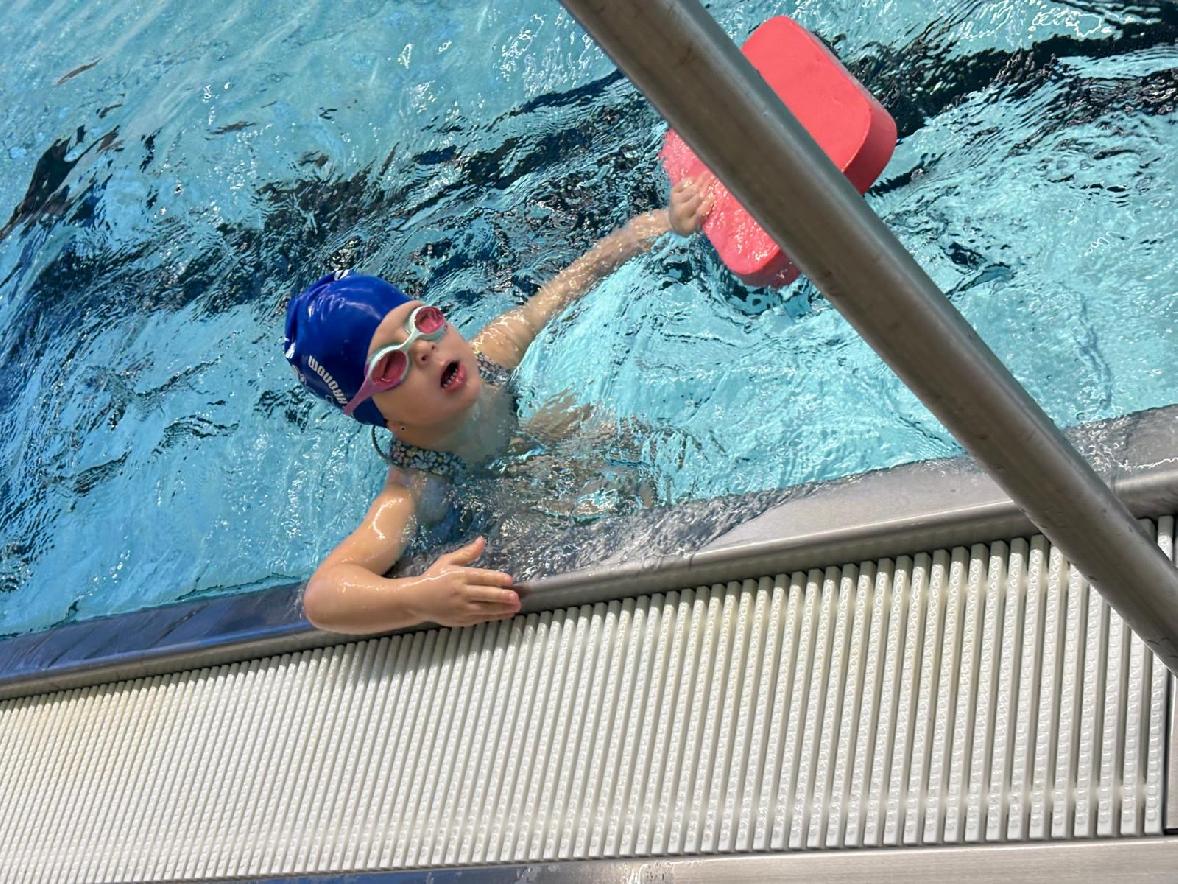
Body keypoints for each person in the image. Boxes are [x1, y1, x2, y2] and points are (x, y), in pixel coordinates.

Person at [284, 177, 714, 635]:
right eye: (391, 364)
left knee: (623, 435)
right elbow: (322, 596)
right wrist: (417, 599)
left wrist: (667, 222)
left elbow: (580, 276)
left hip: (533, 446)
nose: (424, 349)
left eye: (422, 321)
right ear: (374, 411)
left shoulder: (491, 353)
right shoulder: (416, 486)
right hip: (493, 516)